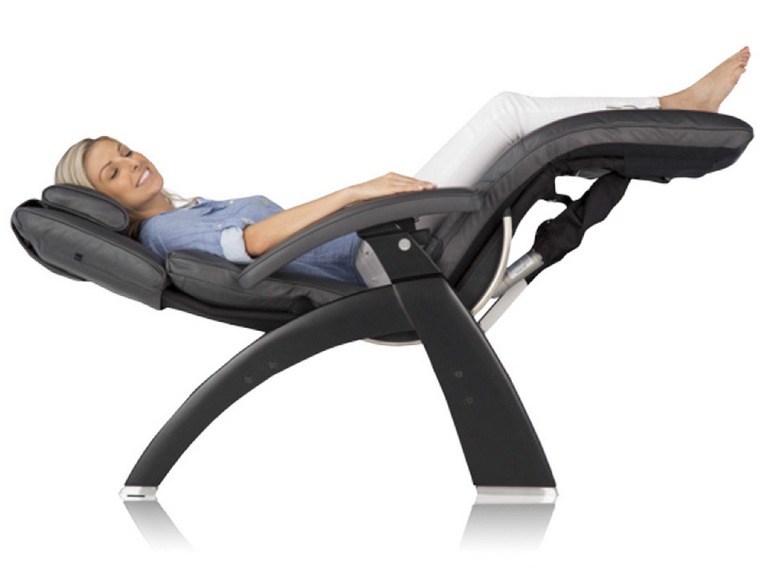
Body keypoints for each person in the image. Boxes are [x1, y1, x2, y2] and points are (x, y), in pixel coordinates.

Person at [54, 48, 750, 287]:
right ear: (105, 200)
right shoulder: (164, 235)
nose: (132, 163)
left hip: (378, 241)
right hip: (380, 254)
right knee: (507, 114)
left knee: (516, 133)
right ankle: (674, 104)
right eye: (113, 172)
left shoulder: (182, 213)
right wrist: (357, 194)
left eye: (124, 151)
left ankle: (662, 115)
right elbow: (256, 244)